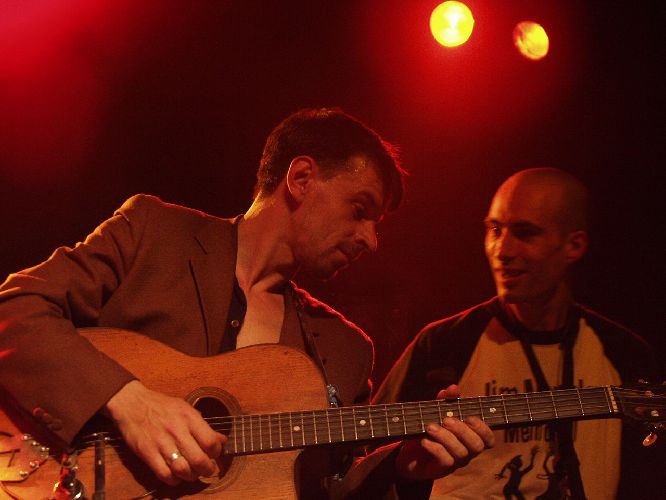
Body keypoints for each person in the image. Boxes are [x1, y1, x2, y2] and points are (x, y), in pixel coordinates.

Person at [0, 108, 494, 499]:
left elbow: (332, 487)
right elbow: (15, 308)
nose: (371, 240)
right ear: (301, 178)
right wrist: (131, 402)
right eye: (359, 211)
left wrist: (405, 465)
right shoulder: (154, 234)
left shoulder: (345, 352)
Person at [373, 168, 662, 499]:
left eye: (525, 233)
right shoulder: (442, 343)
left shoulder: (625, 353)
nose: (502, 249)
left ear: (575, 245)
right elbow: (369, 463)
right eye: (495, 229)